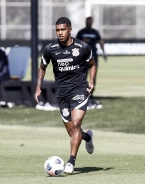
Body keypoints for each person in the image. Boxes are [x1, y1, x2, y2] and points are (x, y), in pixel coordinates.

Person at [34, 17, 96, 174]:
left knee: (76, 123)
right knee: (72, 131)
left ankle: (71, 162)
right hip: (62, 94)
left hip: (80, 90)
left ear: (70, 30)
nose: (60, 33)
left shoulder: (82, 47)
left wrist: (92, 81)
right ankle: (88, 137)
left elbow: (92, 64)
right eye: (57, 30)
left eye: (62, 30)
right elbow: (42, 68)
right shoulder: (50, 49)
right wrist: (38, 87)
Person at [76, 16, 107, 110]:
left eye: (90, 21)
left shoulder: (95, 32)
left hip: (93, 57)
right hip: (83, 57)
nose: (89, 23)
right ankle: (83, 94)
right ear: (85, 22)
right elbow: (75, 42)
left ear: (92, 22)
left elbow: (100, 42)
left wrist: (104, 52)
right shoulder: (81, 32)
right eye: (87, 21)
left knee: (93, 76)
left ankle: (91, 93)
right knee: (83, 76)